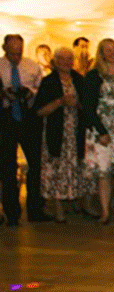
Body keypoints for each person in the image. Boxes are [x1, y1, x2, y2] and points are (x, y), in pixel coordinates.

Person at [34, 48, 88, 223]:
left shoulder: (79, 80)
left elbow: (88, 106)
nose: (66, 62)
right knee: (56, 169)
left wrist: (77, 103)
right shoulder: (48, 82)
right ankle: (57, 207)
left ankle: (74, 202)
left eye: (69, 59)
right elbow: (39, 111)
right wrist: (60, 102)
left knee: (74, 167)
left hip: (75, 131)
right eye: (62, 59)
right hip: (56, 132)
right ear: (55, 62)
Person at [82, 39, 114, 224]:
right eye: (107, 50)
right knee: (104, 172)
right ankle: (105, 211)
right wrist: (100, 130)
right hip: (101, 127)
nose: (111, 53)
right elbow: (88, 106)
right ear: (101, 53)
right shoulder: (94, 75)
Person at [1, 34, 49, 225]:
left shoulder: (32, 66)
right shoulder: (0, 66)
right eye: (12, 54)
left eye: (19, 53)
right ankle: (12, 213)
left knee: (36, 164)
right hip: (6, 119)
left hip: (29, 119)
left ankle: (36, 209)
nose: (16, 57)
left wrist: (31, 93)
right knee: (7, 167)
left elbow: (41, 89)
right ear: (4, 48)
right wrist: (5, 94)